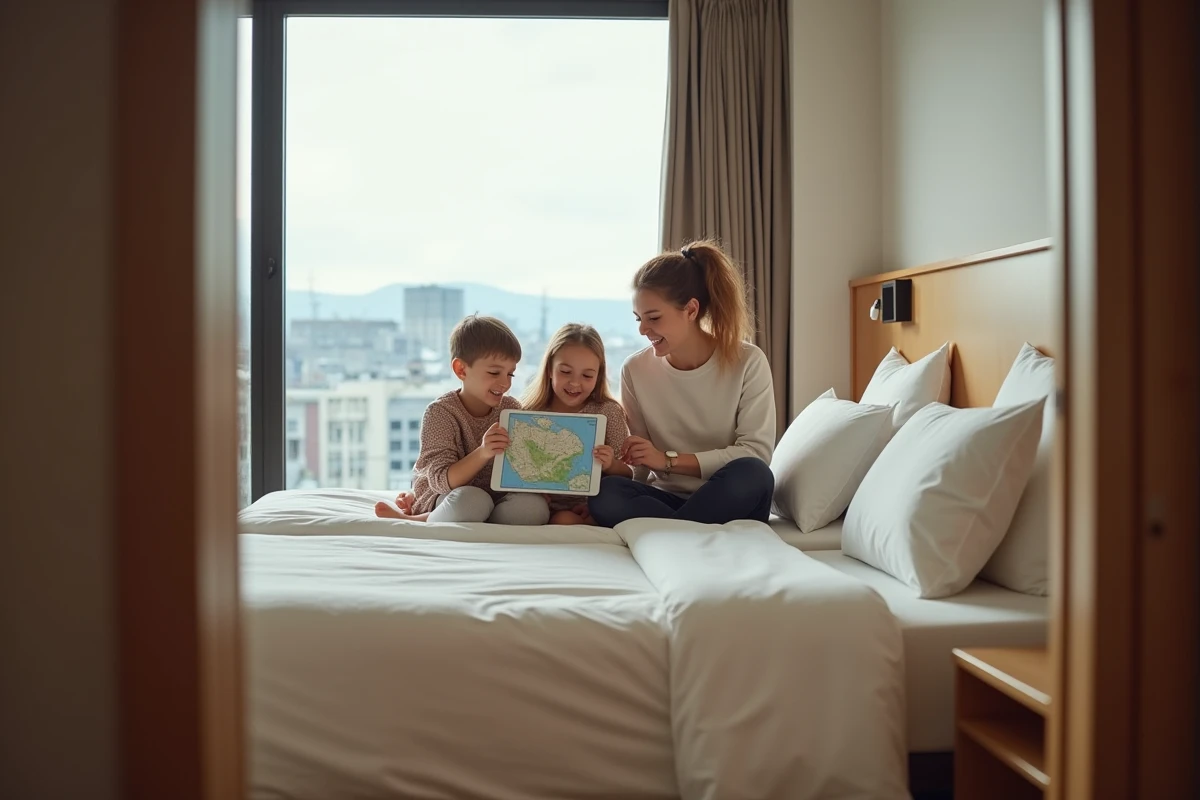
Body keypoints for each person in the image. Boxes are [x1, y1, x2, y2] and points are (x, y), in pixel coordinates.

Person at [587, 240, 776, 527]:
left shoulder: (748, 361)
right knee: (608, 493)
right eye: (639, 318)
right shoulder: (635, 369)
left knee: (753, 473)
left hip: (729, 495)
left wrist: (667, 461)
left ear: (690, 310)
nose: (642, 329)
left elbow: (756, 453)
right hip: (665, 497)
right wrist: (628, 471)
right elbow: (640, 460)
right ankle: (691, 531)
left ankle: (673, 533)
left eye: (653, 318)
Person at [374, 315, 550, 525]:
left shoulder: (510, 408)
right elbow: (441, 482)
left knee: (535, 508)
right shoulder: (440, 413)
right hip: (447, 496)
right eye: (494, 372)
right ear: (461, 370)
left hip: (496, 498)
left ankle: (486, 521)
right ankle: (420, 519)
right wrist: (483, 452)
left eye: (510, 374)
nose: (504, 383)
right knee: (472, 501)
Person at [520, 323, 631, 525]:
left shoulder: (608, 412)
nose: (574, 383)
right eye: (565, 372)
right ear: (549, 370)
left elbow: (628, 475)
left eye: (587, 375)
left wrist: (611, 464)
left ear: (598, 376)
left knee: (564, 520)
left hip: (588, 507)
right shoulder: (528, 414)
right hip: (535, 506)